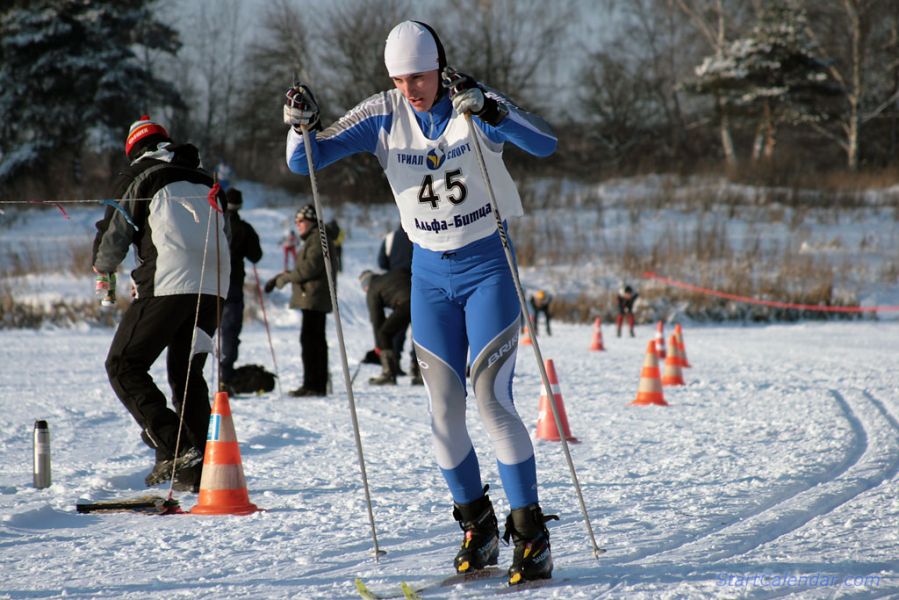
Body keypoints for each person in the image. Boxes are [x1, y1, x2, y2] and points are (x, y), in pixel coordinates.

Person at [283, 21, 558, 584]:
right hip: (429, 277)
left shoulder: (469, 99)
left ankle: (530, 535)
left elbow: (545, 141)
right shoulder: (383, 112)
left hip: (487, 269)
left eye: (421, 76)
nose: (413, 88)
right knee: (441, 408)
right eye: (402, 78)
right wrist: (298, 127)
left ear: (440, 66)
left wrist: (490, 111)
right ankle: (476, 525)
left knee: (491, 398)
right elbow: (303, 161)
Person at [92, 115, 230, 492]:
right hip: (216, 285)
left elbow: (115, 230)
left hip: (170, 280)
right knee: (187, 375)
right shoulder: (204, 177)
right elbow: (227, 232)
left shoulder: (141, 173)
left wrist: (102, 269)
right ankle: (198, 468)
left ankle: (173, 446)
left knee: (123, 365)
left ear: (134, 149)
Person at [264, 204, 337, 397]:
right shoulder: (314, 239)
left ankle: (313, 385)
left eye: (301, 221)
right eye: (296, 222)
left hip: (314, 299)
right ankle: (314, 384)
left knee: (312, 342)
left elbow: (309, 268)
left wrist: (285, 278)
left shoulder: (318, 239)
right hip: (312, 298)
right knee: (312, 341)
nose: (298, 225)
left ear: (311, 220)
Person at [220, 187, 263, 393]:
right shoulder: (244, 228)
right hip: (233, 284)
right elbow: (256, 256)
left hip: (211, 282)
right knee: (229, 330)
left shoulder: (213, 225)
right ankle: (224, 375)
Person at [359, 269, 411, 385]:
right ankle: (419, 373)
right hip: (420, 299)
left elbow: (377, 320)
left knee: (384, 333)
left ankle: (389, 373)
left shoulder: (372, 289)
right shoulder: (387, 277)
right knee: (419, 336)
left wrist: (379, 346)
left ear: (365, 286)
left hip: (406, 303)